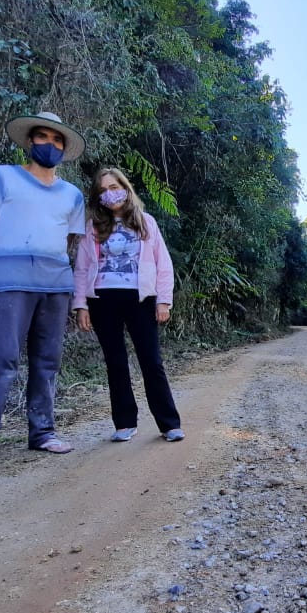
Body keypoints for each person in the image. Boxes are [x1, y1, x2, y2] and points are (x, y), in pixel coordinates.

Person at [0, 111, 87, 472]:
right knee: (0, 362)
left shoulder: (72, 195)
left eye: (57, 140)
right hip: (9, 284)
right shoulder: (2, 177)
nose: (50, 145)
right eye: (43, 137)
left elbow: (70, 242)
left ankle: (43, 432)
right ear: (29, 142)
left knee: (47, 361)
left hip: (55, 287)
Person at [73, 166, 184, 442]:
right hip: (102, 300)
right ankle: (124, 423)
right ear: (97, 197)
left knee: (151, 361)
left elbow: (163, 265)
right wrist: (81, 305)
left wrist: (164, 301)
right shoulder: (93, 227)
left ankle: (169, 423)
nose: (110, 194)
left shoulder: (146, 222)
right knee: (115, 362)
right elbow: (82, 267)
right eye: (103, 191)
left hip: (140, 299)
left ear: (125, 188)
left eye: (114, 187)